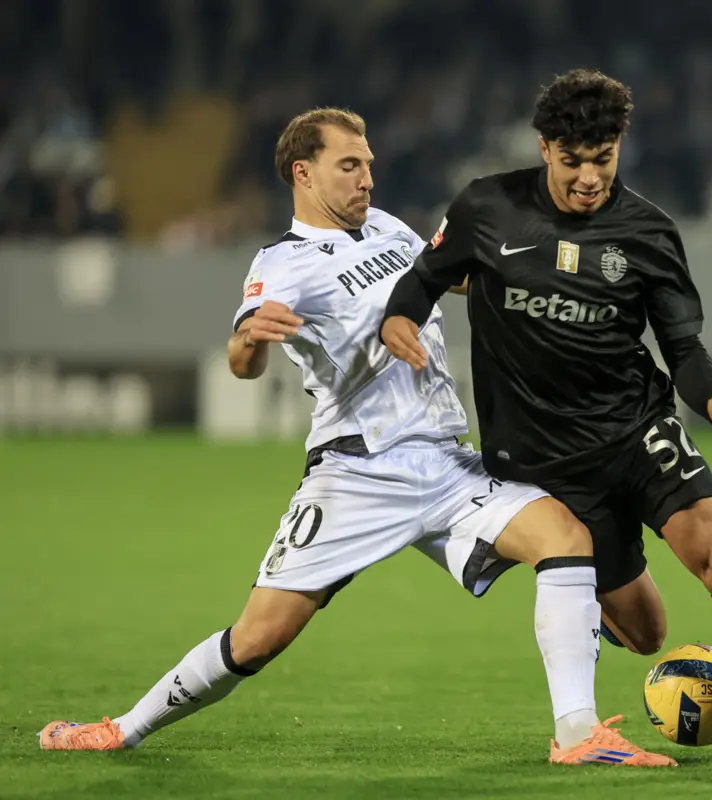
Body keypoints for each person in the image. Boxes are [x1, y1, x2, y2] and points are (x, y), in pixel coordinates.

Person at [39, 107, 674, 768]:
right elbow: (242, 355)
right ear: (303, 173)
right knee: (258, 639)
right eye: (350, 166)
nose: (367, 177)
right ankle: (121, 729)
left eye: (367, 164)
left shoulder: (391, 230)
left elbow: (456, 275)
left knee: (566, 536)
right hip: (358, 474)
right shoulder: (284, 262)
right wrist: (249, 339)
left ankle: (578, 735)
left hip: (446, 462)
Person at [379, 69, 712, 767]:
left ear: (619, 147)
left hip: (638, 430)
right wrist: (400, 317)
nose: (587, 178)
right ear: (545, 148)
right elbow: (424, 279)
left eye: (602, 160)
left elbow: (682, 344)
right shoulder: (487, 208)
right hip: (547, 460)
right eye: (573, 162)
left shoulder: (647, 231)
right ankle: (589, 623)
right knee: (647, 632)